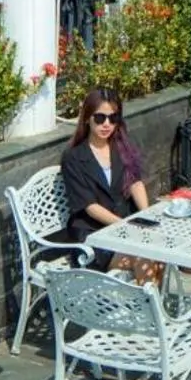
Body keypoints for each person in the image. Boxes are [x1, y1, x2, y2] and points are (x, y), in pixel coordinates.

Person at [59, 88, 151, 273]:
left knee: (158, 256)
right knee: (144, 259)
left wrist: (147, 216)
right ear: (87, 118)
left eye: (113, 118)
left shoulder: (121, 146)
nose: (107, 124)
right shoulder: (74, 157)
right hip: (93, 237)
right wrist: (125, 227)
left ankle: (146, 300)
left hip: (123, 226)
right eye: (100, 118)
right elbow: (90, 206)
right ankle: (144, 301)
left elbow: (135, 181)